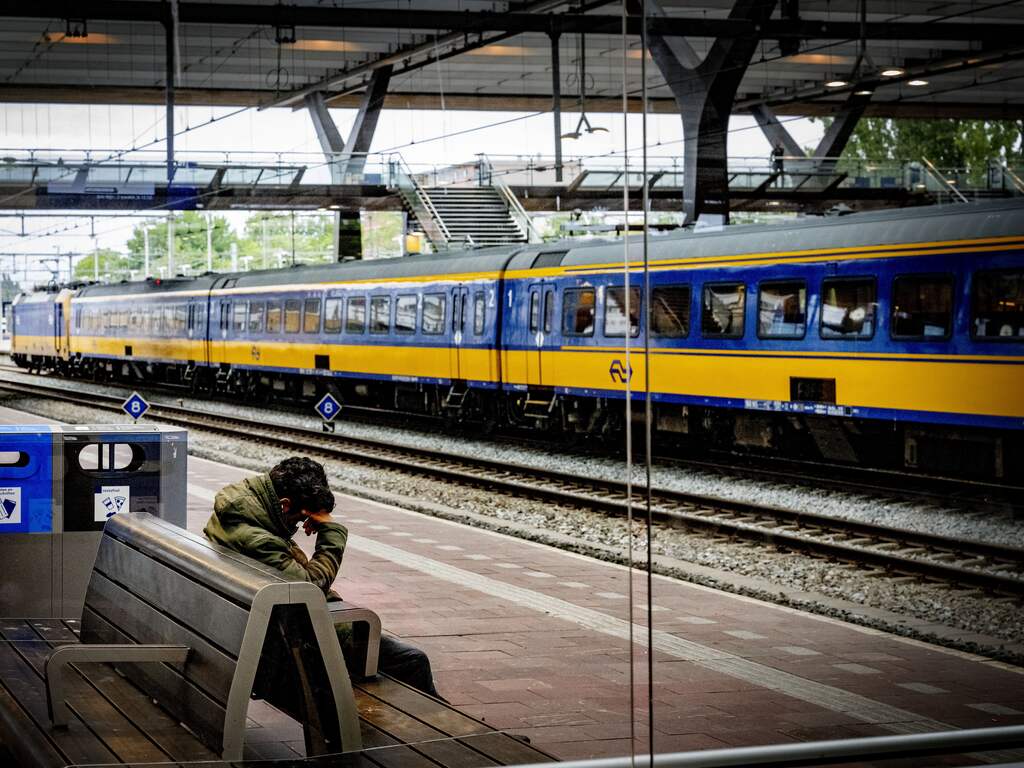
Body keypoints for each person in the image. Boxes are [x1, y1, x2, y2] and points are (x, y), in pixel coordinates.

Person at [203, 456, 442, 699]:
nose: (300, 525)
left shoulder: (242, 510)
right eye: (299, 518)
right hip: (297, 646)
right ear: (284, 504)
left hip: (263, 635)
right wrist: (330, 531)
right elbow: (312, 585)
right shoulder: (259, 539)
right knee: (414, 661)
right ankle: (448, 731)